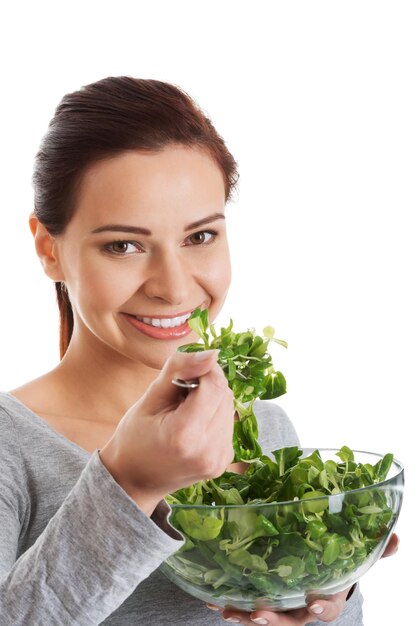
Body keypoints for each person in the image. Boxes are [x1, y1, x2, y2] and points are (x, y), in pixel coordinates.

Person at [0, 76, 397, 626]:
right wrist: (130, 486)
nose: (174, 287)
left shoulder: (264, 430)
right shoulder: (9, 446)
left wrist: (328, 594)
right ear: (49, 250)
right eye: (124, 245)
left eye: (200, 237)